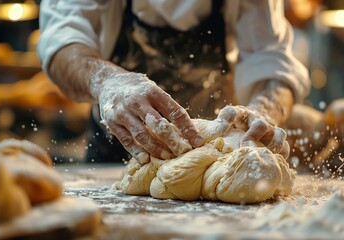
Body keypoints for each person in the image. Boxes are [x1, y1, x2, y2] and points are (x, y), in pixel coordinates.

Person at [38, 0, 310, 163]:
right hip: (118, 148)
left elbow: (272, 61)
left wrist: (264, 111)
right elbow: (62, 42)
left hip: (217, 155)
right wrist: (109, 82)